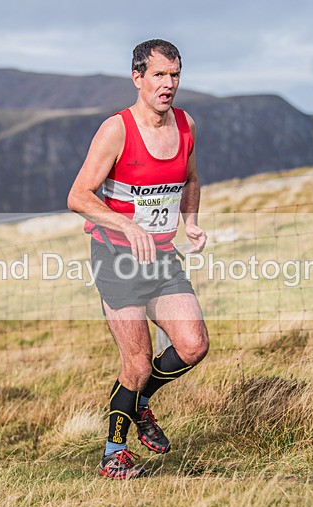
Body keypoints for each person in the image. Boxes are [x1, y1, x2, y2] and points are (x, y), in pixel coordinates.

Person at [67, 38, 210, 479]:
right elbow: (77, 196)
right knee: (137, 363)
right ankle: (114, 453)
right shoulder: (117, 130)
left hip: (163, 258)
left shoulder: (185, 125)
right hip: (116, 257)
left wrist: (191, 222)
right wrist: (127, 225)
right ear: (138, 78)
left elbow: (189, 177)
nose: (168, 85)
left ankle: (142, 401)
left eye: (175, 75)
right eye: (159, 75)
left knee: (193, 345)